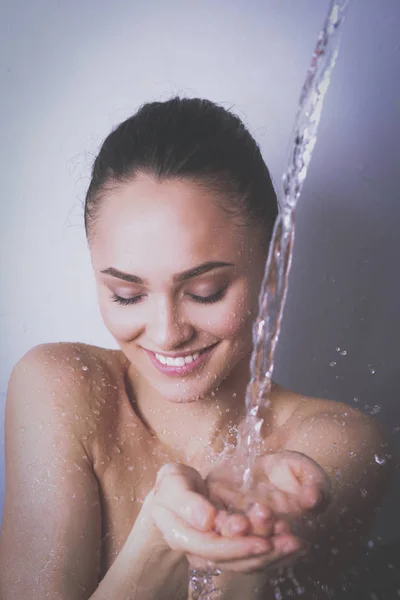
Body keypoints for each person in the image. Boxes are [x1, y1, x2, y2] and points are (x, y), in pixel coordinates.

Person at [0, 97, 393, 600]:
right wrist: (157, 543)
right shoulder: (59, 387)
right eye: (128, 294)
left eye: (204, 291)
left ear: (276, 266)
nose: (167, 334)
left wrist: (242, 558)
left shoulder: (334, 446)